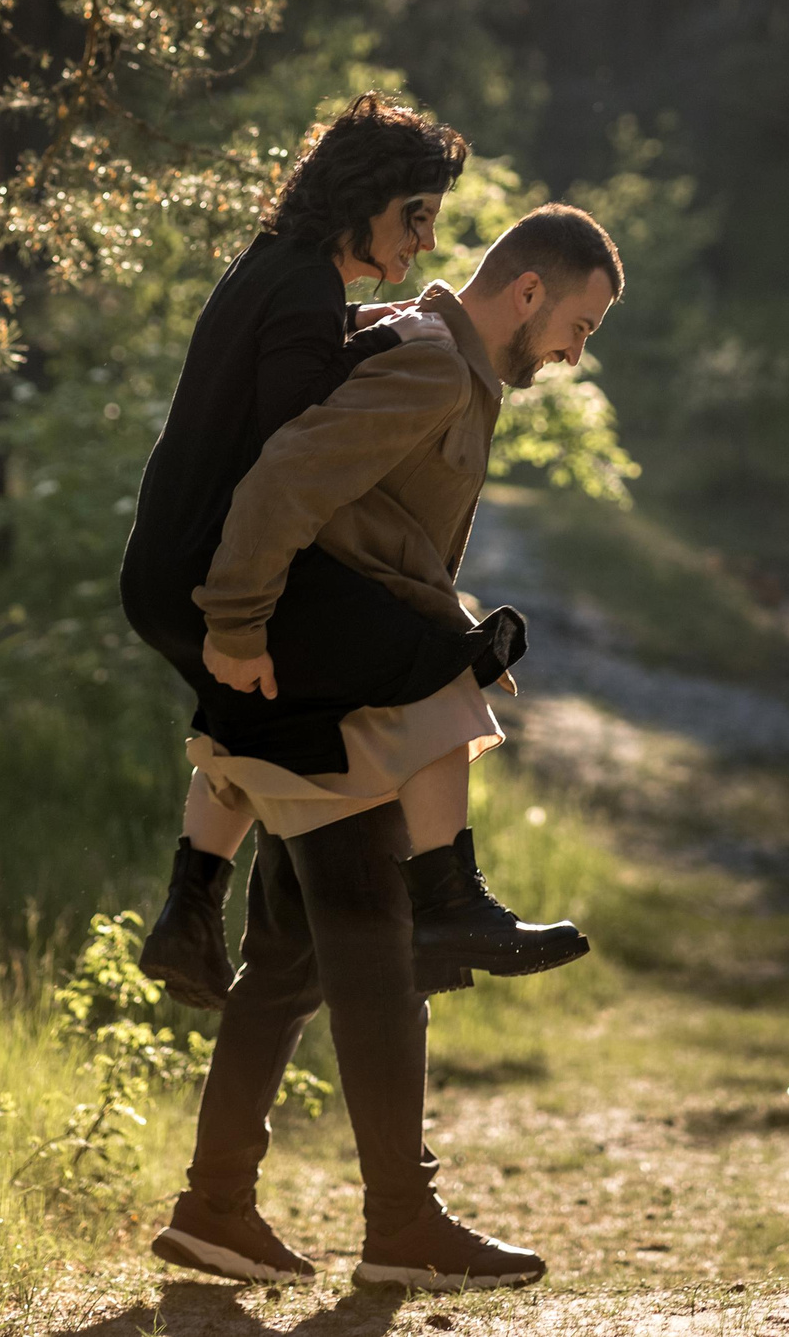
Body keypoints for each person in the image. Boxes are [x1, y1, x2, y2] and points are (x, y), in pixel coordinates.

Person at [152, 205, 624, 1292]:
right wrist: (234, 625)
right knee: (375, 950)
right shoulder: (425, 364)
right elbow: (285, 488)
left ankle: (214, 1208)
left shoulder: (435, 353)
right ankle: (399, 1225)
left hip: (331, 685)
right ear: (526, 292)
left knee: (287, 956)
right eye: (578, 325)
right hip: (316, 685)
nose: (572, 351)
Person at [120, 97, 582, 1013]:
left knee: (257, 716)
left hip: (169, 565)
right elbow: (291, 458)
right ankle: (450, 901)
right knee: (441, 653)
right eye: (416, 216)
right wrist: (240, 616)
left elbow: (300, 390)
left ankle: (188, 910)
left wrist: (393, 323)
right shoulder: (302, 294)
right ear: (365, 199)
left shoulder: (277, 270)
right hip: (207, 566)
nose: (425, 241)